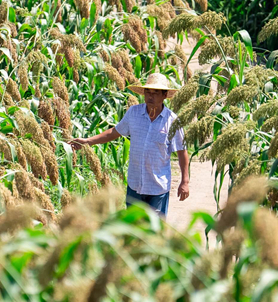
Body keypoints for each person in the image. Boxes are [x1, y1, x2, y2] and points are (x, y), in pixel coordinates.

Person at [70, 72, 190, 218]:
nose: (150, 96)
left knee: (155, 231)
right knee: (133, 230)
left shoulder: (172, 121)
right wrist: (88, 141)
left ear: (164, 95)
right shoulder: (134, 113)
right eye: (148, 92)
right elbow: (114, 132)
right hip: (135, 184)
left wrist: (185, 181)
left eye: (155, 93)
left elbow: (182, 152)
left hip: (157, 187)